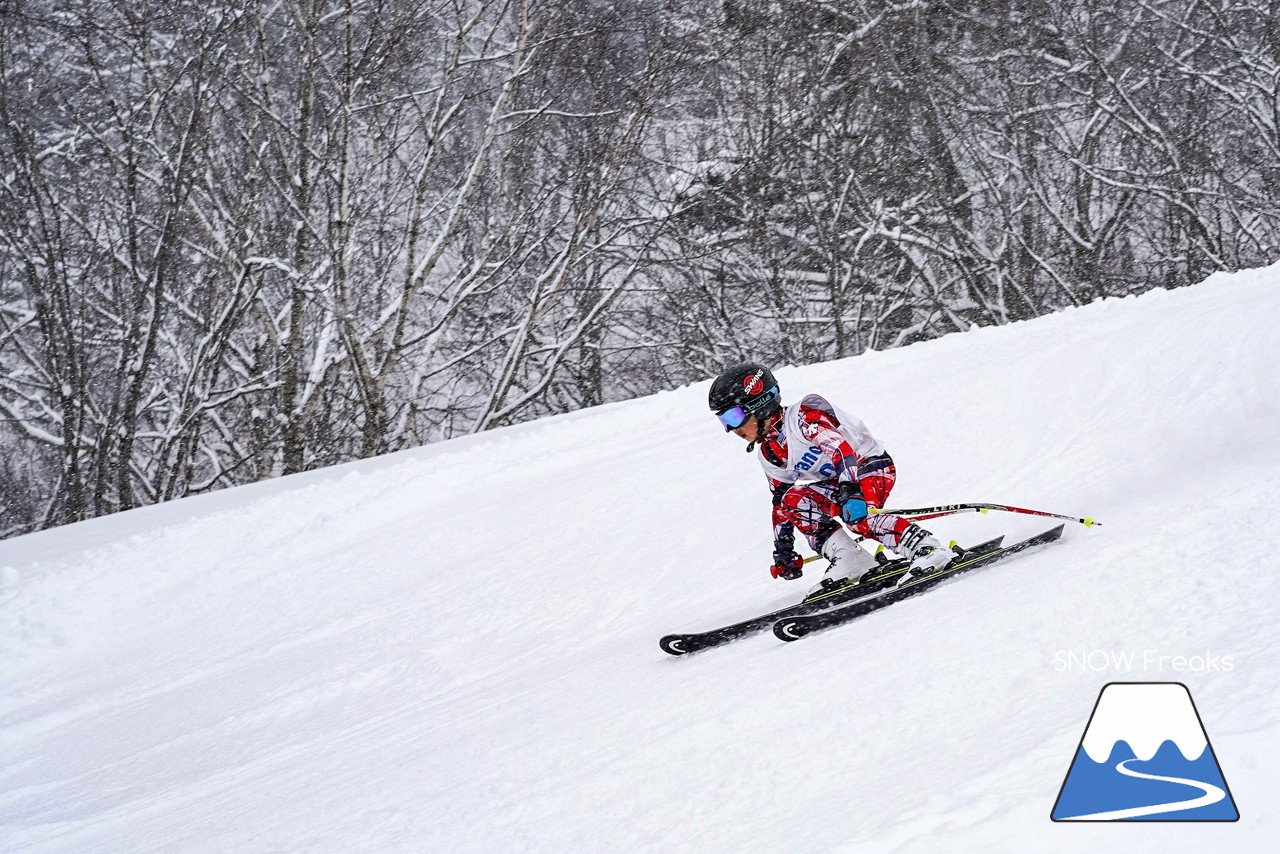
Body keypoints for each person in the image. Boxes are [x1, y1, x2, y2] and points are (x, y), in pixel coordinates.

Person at [708, 362, 956, 594]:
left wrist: (852, 493)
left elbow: (841, 451)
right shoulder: (770, 453)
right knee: (793, 499)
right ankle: (851, 559)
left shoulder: (804, 417)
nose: (731, 429)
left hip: (868, 466)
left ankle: (927, 549)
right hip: (839, 483)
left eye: (733, 418)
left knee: (857, 516)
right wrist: (783, 548)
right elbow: (780, 502)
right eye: (723, 421)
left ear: (760, 405)